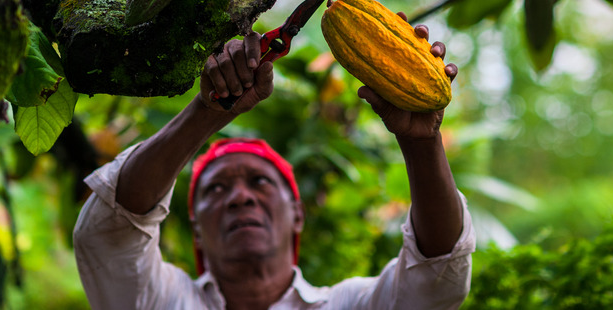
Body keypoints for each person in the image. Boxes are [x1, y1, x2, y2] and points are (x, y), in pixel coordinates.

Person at [73, 21, 476, 309]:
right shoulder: (160, 301)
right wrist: (207, 111)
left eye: (260, 182)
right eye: (216, 189)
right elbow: (109, 232)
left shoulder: (349, 304)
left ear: (297, 214)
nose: (240, 198)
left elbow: (438, 280)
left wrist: (421, 142)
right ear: (196, 228)